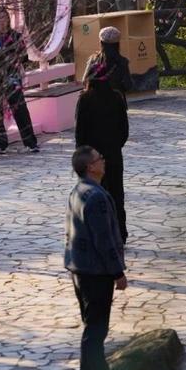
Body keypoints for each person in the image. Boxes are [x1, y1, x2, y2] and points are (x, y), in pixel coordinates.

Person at [65, 146, 128, 370]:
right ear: (90, 167)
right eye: (99, 158)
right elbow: (104, 240)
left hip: (79, 268)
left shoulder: (78, 191)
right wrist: (117, 272)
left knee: (92, 326)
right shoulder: (97, 197)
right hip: (96, 271)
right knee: (96, 329)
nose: (104, 161)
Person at [75, 27, 130, 242]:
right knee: (116, 192)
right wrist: (115, 146)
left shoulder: (85, 99)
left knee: (93, 194)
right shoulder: (117, 93)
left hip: (91, 155)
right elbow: (124, 131)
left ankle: (97, 233)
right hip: (113, 151)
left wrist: (83, 153)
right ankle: (120, 232)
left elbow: (80, 131)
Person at [0, 6, 39, 154]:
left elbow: (25, 57)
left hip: (12, 77)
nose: (2, 21)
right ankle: (1, 144)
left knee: (20, 109)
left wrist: (11, 57)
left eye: (4, 18)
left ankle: (30, 142)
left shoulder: (15, 36)